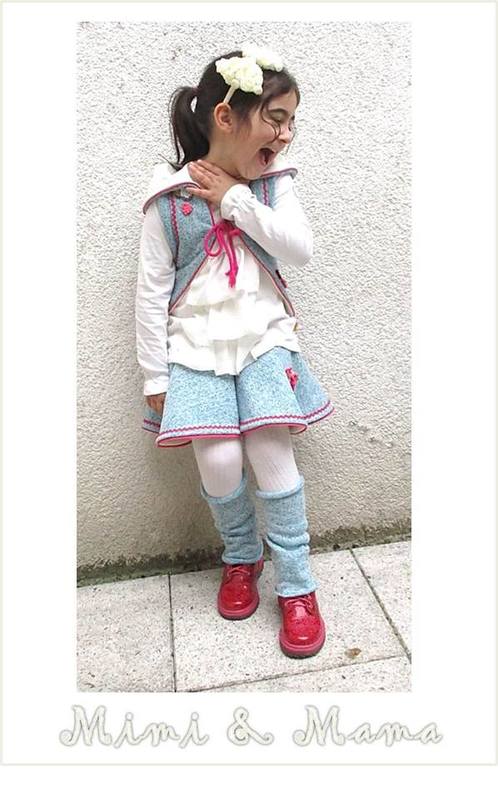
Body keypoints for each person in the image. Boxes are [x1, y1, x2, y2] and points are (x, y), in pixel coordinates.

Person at [135, 42, 336, 658]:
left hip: (263, 343)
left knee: (271, 453)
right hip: (194, 350)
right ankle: (241, 557)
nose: (286, 133)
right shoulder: (168, 199)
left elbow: (299, 249)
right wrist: (154, 376)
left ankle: (297, 587)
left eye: (292, 120)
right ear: (226, 117)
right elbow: (151, 291)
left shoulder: (272, 188)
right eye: (275, 118)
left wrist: (235, 201)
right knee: (220, 461)